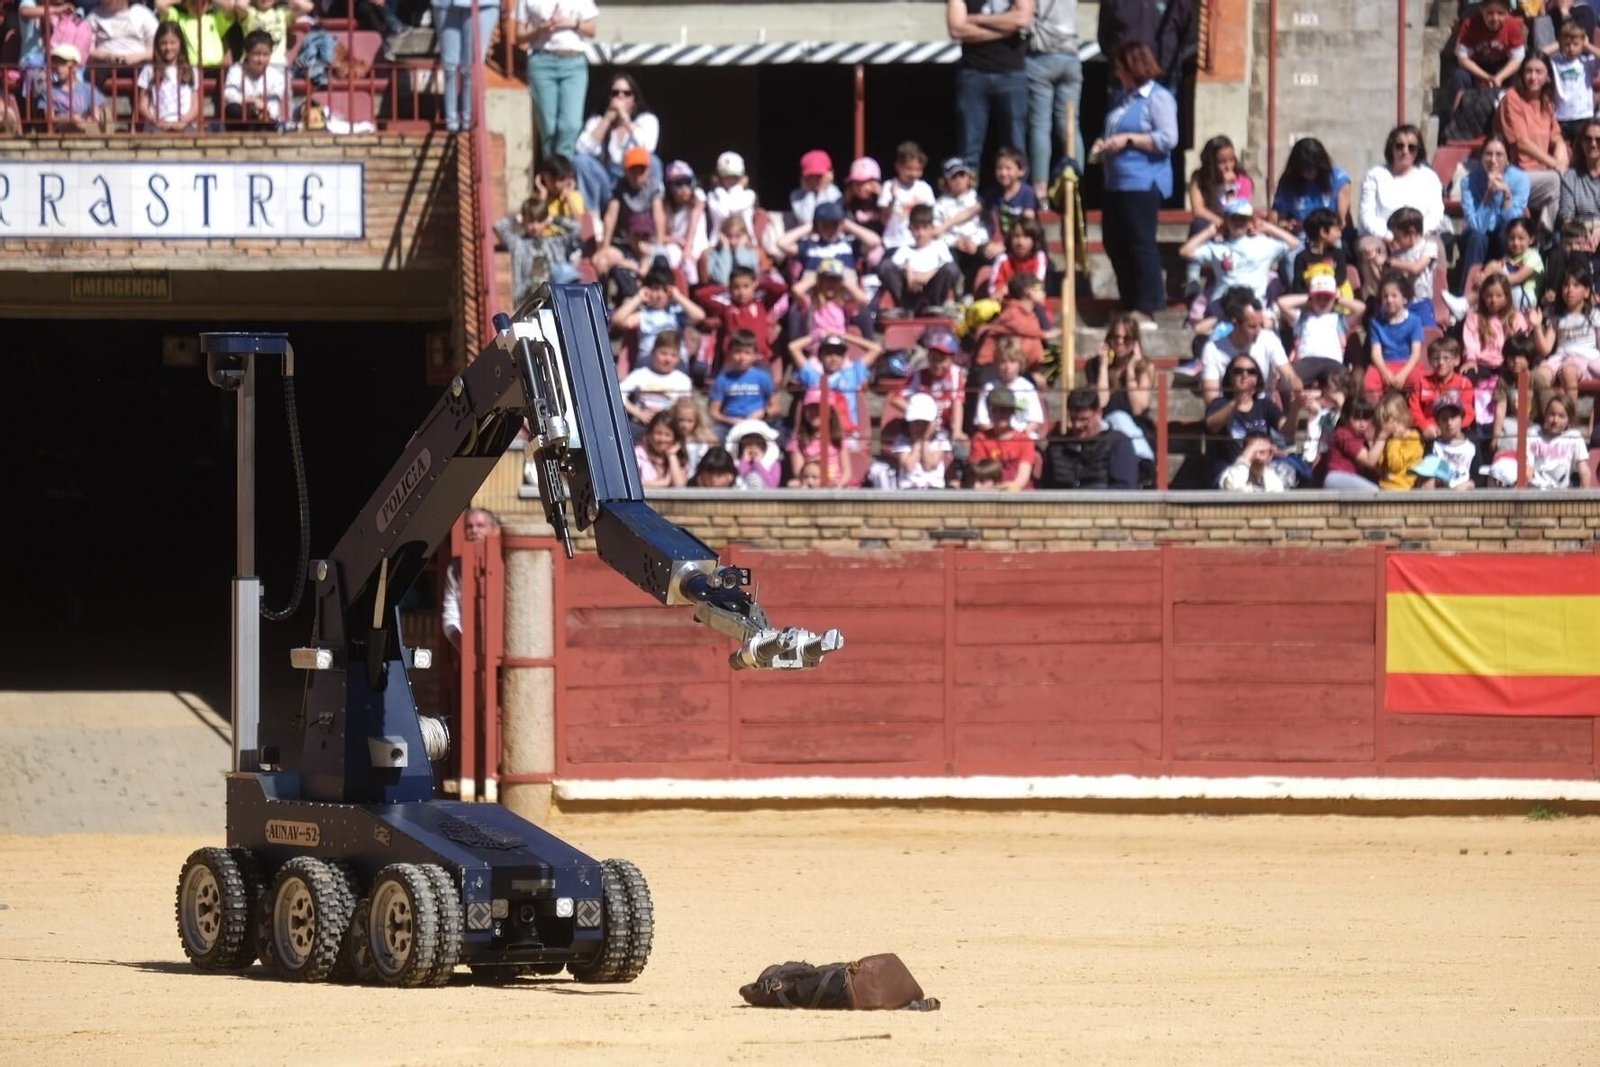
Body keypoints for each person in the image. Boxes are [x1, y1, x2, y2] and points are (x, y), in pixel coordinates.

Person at [1093, 39, 1178, 326]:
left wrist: (1129, 140)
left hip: (1142, 182)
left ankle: (1148, 305)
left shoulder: (1158, 98)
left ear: (1134, 68)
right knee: (1114, 241)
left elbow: (1168, 138)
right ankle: (1128, 301)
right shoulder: (1122, 98)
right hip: (1116, 183)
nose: (1117, 74)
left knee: (1140, 243)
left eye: (1121, 68)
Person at [1178, 199, 1299, 331]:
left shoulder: (1264, 244)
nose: (1238, 223)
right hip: (1223, 307)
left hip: (1253, 306)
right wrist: (1210, 231)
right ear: (1226, 220)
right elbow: (1185, 251)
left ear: (1249, 221)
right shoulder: (1217, 247)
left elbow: (1294, 244)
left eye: (1243, 219)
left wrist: (1268, 227)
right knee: (1202, 330)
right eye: (1234, 219)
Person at [1356, 125, 1445, 297]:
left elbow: (1436, 214)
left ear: (1418, 150)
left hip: (1418, 235)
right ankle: (1376, 300)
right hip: (1384, 236)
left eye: (1411, 147)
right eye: (1399, 146)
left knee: (1437, 246)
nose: (1405, 151)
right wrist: (1389, 236)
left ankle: (1436, 302)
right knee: (1368, 248)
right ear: (1391, 147)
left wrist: (1414, 237)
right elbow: (1366, 215)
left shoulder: (1429, 177)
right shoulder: (1375, 175)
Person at [947, 0, 1033, 173]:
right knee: (969, 147)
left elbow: (1023, 19)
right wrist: (1005, 28)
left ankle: (1019, 197)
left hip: (1011, 72)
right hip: (973, 73)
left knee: (1015, 144)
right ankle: (967, 197)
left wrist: (975, 19)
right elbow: (956, 29)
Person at [1497, 52, 1570, 234]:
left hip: (1541, 175)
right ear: (1522, 74)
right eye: (1529, 71)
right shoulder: (1512, 98)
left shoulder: (1546, 101)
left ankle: (1544, 235)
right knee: (1558, 181)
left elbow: (1556, 136)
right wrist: (1555, 165)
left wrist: (1560, 151)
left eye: (1539, 72)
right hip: (1516, 173)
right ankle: (1542, 235)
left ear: (1547, 77)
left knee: (1566, 181)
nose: (1533, 77)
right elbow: (1521, 143)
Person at [516, 0, 597, 161]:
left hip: (573, 62)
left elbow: (592, 29)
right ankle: (552, 172)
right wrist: (540, 31)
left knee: (571, 125)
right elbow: (519, 35)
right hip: (542, 61)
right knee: (548, 127)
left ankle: (562, 172)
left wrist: (571, 23)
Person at [1184, 135, 1256, 308]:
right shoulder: (1200, 178)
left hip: (1235, 225)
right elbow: (1198, 209)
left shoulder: (1243, 180)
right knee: (1199, 223)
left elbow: (1240, 210)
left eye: (1231, 160)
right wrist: (1219, 223)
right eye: (1222, 161)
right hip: (1213, 225)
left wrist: (1230, 189)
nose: (1228, 166)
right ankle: (1192, 277)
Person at [574, 74, 660, 214]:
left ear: (634, 99)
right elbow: (581, 149)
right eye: (615, 93)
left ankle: (649, 218)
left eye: (626, 93)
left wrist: (625, 120)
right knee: (580, 161)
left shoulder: (646, 120)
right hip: (607, 183)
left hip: (633, 181)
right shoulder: (597, 121)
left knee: (654, 161)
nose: (620, 97)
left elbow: (648, 146)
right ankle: (591, 220)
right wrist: (607, 120)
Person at [1199, 292, 1302, 404]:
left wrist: (1297, 391)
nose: (1258, 331)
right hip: (1229, 411)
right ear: (1236, 323)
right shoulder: (1212, 350)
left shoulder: (1269, 339)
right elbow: (1211, 396)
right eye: (1252, 327)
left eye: (1260, 325)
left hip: (1263, 411)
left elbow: (1289, 375)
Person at [1025, 0, 1083, 197]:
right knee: (1070, 124)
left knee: (1040, 125)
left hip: (1042, 55)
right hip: (1071, 55)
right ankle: (1075, 185)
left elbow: (1024, 19)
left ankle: (1040, 190)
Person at [1203, 354, 1286, 486]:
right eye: (1238, 372)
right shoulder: (1219, 404)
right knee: (1236, 484)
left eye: (1251, 372)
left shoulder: (1265, 405)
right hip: (1228, 468)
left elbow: (1287, 429)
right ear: (1230, 377)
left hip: (1260, 466)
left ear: (1257, 378)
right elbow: (1212, 425)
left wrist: (1296, 407)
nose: (1245, 375)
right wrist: (1236, 401)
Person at [1458, 137, 1530, 286]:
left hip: (1504, 235)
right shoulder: (1468, 182)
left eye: (1499, 155)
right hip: (1477, 236)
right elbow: (1476, 226)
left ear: (1508, 159)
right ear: (1481, 157)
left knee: (1509, 238)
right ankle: (1469, 291)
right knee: (1478, 238)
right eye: (1488, 154)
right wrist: (1488, 195)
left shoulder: (1521, 179)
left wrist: (1507, 196)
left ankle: (1508, 290)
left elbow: (1514, 226)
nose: (1493, 160)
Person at [1037, 387, 1139, 489]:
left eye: (1084, 419)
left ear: (1099, 414)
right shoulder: (1056, 448)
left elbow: (1123, 488)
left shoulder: (1118, 444)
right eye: (1073, 419)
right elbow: (1045, 488)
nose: (1077, 425)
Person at [1486, 391, 1595, 487]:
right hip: (1535, 488)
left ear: (1569, 419)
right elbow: (1527, 465)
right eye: (1552, 414)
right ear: (1545, 414)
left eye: (1561, 416)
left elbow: (1584, 470)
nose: (1555, 420)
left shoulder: (1574, 437)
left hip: (1561, 490)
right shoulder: (1533, 434)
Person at [592, 146, 666, 285]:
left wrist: (659, 244)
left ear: (648, 170)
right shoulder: (619, 186)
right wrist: (605, 246)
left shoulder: (654, 187)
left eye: (641, 170)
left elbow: (659, 215)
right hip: (623, 243)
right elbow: (611, 216)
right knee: (602, 261)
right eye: (633, 170)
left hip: (646, 242)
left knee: (661, 260)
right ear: (625, 171)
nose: (637, 175)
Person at [1277, 269, 1363, 384]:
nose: (1322, 301)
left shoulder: (1339, 319)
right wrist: (1308, 298)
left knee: (1346, 384)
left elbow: (1361, 308)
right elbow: (1282, 303)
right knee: (1287, 383)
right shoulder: (1302, 317)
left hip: (1332, 361)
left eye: (1326, 297)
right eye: (1318, 297)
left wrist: (1338, 299)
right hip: (1307, 360)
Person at [613, 264, 707, 367]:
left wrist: (678, 297)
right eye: (655, 289)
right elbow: (618, 320)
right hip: (649, 365)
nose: (660, 295)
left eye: (665, 290)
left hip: (675, 366)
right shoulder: (644, 315)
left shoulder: (677, 313)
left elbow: (700, 316)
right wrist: (638, 298)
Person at [1534, 263, 1600, 405]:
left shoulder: (1594, 315)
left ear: (1587, 291)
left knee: (1568, 371)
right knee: (1540, 375)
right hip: (1560, 357)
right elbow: (1545, 349)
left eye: (1576, 286)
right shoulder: (1556, 317)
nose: (1570, 290)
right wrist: (1537, 326)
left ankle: (1568, 415)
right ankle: (1549, 414)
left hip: (1584, 358)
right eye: (1566, 285)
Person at [878, 205, 961, 316]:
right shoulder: (905, 249)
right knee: (886, 265)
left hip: (932, 289)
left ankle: (934, 307)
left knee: (950, 268)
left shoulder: (940, 247)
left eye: (924, 228)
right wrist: (908, 272)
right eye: (916, 228)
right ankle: (903, 309)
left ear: (932, 228)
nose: (920, 233)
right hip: (909, 290)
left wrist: (927, 275)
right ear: (910, 229)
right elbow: (893, 265)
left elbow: (950, 268)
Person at [887, 325, 968, 440]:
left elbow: (957, 403)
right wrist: (919, 413)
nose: (937, 364)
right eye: (934, 359)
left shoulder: (956, 374)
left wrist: (957, 431)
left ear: (952, 359)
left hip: (945, 430)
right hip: (920, 430)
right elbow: (895, 400)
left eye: (942, 360)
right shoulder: (918, 375)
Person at [790, 332, 883, 431]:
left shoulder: (852, 374)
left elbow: (876, 349)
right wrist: (818, 336)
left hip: (846, 433)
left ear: (844, 358)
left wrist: (845, 336)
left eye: (838, 354)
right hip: (819, 433)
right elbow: (793, 347)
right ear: (821, 357)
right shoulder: (813, 377)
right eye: (829, 353)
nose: (833, 358)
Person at [1448, 0, 1526, 117]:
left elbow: (1518, 57)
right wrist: (1486, 77)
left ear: (1508, 12)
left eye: (1500, 13)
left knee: (1520, 75)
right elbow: (1462, 58)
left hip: (1502, 66)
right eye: (1490, 13)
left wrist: (1499, 77)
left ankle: (1515, 114)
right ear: (1481, 11)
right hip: (1476, 66)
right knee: (1459, 76)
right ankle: (1457, 116)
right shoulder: (1470, 24)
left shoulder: (1513, 25)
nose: (1495, 18)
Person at [442, 507, 500, 649]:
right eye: (469, 526)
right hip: (471, 652)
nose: (474, 530)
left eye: (480, 526)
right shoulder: (455, 570)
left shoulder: (508, 563)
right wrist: (464, 647)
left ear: (495, 530)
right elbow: (450, 616)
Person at [1270, 137, 1353, 232]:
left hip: (1329, 235)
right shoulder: (1287, 182)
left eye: (1314, 167)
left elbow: (1341, 222)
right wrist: (1287, 225)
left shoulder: (1339, 179)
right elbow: (1279, 219)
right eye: (1305, 168)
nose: (1310, 172)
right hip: (1297, 236)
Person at [618, 329, 692, 433]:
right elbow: (619, 393)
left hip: (669, 428)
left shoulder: (683, 380)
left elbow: (684, 406)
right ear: (653, 352)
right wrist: (638, 413)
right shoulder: (641, 374)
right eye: (663, 353)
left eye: (673, 355)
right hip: (640, 424)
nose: (668, 359)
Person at [1364, 273, 1426, 398]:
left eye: (1394, 296)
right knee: (1369, 383)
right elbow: (1376, 353)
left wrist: (1403, 374)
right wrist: (1385, 372)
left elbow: (1415, 354)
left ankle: (1414, 413)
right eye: (1385, 296)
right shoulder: (1376, 322)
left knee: (1419, 380)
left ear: (1404, 299)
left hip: (1406, 365)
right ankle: (1378, 413)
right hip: (1384, 365)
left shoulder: (1414, 321)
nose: (1389, 300)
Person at [933, 156, 990, 289]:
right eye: (954, 177)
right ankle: (952, 294)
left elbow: (986, 227)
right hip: (953, 246)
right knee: (946, 256)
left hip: (975, 244)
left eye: (962, 175)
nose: (959, 180)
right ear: (946, 180)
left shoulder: (978, 200)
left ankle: (976, 292)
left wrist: (974, 241)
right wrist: (956, 242)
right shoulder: (940, 204)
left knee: (987, 254)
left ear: (969, 177)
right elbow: (937, 232)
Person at [1463, 271, 1526, 388]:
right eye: (1489, 296)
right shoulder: (1475, 316)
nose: (1493, 300)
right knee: (1467, 376)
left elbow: (1520, 345)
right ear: (1483, 296)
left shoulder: (1516, 317)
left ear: (1507, 297)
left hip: (1508, 364)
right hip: (1482, 363)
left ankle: (1522, 405)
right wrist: (1470, 360)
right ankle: (1469, 406)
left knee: (1523, 376)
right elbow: (1470, 343)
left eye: (1498, 296)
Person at [708, 333, 779, 437]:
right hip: (730, 423)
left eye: (747, 353)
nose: (742, 357)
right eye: (737, 352)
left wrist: (763, 413)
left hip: (757, 422)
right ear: (730, 354)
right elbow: (713, 412)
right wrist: (730, 420)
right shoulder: (723, 379)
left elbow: (776, 407)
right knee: (714, 435)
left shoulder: (763, 377)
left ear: (755, 355)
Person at [1408, 335, 1477, 440]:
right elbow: (1414, 409)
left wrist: (1451, 429)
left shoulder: (1464, 383)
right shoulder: (1422, 382)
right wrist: (1425, 426)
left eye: (1446, 358)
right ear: (1430, 361)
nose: (1440, 363)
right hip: (1430, 431)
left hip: (1454, 431)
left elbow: (1468, 413)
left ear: (1456, 360)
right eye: (1436, 358)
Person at [974, 338, 1046, 438]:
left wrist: (1018, 437)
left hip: (1023, 438)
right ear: (996, 363)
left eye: (1012, 361)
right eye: (1003, 361)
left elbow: (1036, 420)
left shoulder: (1028, 388)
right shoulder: (988, 389)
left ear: (1020, 363)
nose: (1007, 366)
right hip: (995, 438)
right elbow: (982, 421)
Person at [968, 387, 1037, 490]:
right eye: (995, 410)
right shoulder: (980, 439)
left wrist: (1005, 493)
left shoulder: (1024, 440)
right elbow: (978, 476)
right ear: (990, 412)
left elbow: (1022, 478)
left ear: (1012, 412)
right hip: (987, 495)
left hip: (1020, 496)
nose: (1000, 414)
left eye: (1005, 410)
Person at [27, 44, 106, 131]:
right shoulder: (49, 89)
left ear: (75, 66)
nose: (59, 67)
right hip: (62, 130)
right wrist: (70, 119)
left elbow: (97, 111)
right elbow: (50, 118)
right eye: (56, 63)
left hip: (85, 127)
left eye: (64, 63)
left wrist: (93, 116)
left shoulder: (87, 88)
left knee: (101, 119)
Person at [137, 23, 200, 131]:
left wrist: (184, 121)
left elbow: (195, 104)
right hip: (156, 124)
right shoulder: (149, 69)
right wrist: (155, 120)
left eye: (173, 43)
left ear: (180, 43)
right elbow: (143, 105)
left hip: (185, 124)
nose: (168, 47)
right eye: (163, 43)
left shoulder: (191, 70)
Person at [1546, 18, 1600, 142]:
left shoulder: (1588, 62)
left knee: (1581, 151)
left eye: (1575, 44)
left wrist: (1587, 45)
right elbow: (1539, 54)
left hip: (1583, 115)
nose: (1571, 48)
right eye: (1567, 44)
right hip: (1561, 116)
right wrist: (1558, 44)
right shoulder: (1555, 63)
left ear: (1582, 44)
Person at [787, 388, 853, 487]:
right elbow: (798, 472)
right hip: (811, 487)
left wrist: (838, 487)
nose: (815, 412)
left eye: (820, 408)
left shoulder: (838, 438)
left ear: (830, 412)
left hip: (835, 488)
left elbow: (847, 471)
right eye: (811, 408)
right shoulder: (798, 440)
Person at [981, 145, 1040, 258]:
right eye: (999, 168)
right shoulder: (994, 193)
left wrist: (1004, 245)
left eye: (1008, 168)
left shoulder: (1027, 193)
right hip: (997, 243)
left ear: (1021, 171)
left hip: (1021, 246)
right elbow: (972, 210)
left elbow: (1028, 225)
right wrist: (943, 227)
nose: (1003, 173)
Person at [878, 141, 937, 252]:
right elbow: (884, 220)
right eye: (909, 169)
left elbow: (932, 218)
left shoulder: (925, 188)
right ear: (898, 166)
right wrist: (893, 198)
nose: (913, 173)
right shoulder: (888, 186)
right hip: (894, 243)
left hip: (919, 243)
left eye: (918, 169)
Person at [1315, 395, 1381, 491]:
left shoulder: (1361, 437)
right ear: (1345, 417)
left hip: (1350, 479)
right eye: (1357, 419)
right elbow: (1369, 461)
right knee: (1375, 493)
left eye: (1366, 419)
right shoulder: (1343, 433)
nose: (1362, 424)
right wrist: (1383, 434)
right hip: (1337, 477)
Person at [223, 30, 286, 128]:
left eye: (265, 55)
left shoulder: (277, 77)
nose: (261, 60)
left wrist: (263, 109)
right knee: (233, 109)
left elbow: (274, 106)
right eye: (256, 54)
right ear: (247, 53)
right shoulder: (236, 70)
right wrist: (253, 101)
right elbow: (229, 94)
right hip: (242, 118)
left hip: (264, 118)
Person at [889, 393, 953, 489]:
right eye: (915, 423)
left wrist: (925, 441)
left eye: (924, 423)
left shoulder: (942, 441)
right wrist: (917, 443)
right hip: (909, 490)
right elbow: (909, 466)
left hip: (934, 490)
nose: (919, 427)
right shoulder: (901, 441)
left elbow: (928, 466)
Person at [1288, 208, 1352, 295]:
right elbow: (1298, 286)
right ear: (1323, 232)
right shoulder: (1302, 257)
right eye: (1337, 230)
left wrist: (1324, 289)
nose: (1340, 234)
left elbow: (1341, 277)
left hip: (1333, 297)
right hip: (1310, 301)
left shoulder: (1338, 254)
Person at [663, 161, 708, 281]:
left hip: (695, 244)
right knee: (671, 255)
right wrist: (677, 241)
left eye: (688, 183)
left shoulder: (698, 197)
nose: (684, 189)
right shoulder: (666, 207)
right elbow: (662, 236)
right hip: (677, 244)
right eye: (678, 184)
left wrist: (687, 250)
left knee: (689, 263)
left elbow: (693, 225)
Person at [1372, 391, 1425, 490]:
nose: (1384, 426)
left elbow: (1395, 465)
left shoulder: (1412, 438)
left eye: (1386, 420)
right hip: (1385, 485)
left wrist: (1394, 440)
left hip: (1402, 487)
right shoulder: (1389, 437)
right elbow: (1379, 468)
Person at [232, 0, 312, 65]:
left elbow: (308, 7)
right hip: (252, 63)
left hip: (277, 64)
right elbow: (240, 5)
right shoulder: (249, 13)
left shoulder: (282, 14)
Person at [1558, 117, 1600, 237]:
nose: (1593, 144)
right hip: (1580, 238)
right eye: (1588, 139)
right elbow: (1567, 220)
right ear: (1581, 143)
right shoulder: (1571, 178)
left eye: (1598, 140)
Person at [89, 0, 159, 71]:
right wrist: (106, 57)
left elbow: (157, 49)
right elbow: (87, 50)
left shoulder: (143, 14)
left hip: (138, 66)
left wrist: (137, 57)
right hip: (104, 66)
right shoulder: (94, 16)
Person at [706, 151, 757, 239]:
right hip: (718, 243)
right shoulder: (712, 196)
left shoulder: (749, 195)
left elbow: (733, 208)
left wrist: (739, 187)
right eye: (727, 176)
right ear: (719, 177)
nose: (731, 180)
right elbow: (724, 214)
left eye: (735, 177)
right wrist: (719, 189)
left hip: (745, 243)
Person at [1427, 399, 1477, 490]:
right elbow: (1427, 474)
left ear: (1462, 418)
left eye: (1453, 417)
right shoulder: (1434, 446)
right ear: (1438, 422)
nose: (1449, 423)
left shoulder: (1471, 447)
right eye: (1444, 419)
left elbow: (1477, 478)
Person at [634, 410, 688, 489]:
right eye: (658, 433)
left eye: (667, 435)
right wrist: (664, 482)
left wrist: (671, 455)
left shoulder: (677, 457)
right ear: (650, 434)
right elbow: (635, 484)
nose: (662, 439)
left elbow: (679, 485)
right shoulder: (638, 453)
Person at [788, 149, 842, 228]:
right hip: (807, 238)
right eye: (810, 176)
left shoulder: (835, 192)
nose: (814, 180)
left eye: (819, 176)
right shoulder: (796, 195)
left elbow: (827, 219)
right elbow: (806, 220)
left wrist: (822, 191)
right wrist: (809, 192)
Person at [1218, 431, 1286, 492]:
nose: (1257, 456)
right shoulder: (1230, 474)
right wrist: (1245, 459)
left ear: (1270, 455)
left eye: (1261, 452)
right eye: (1253, 452)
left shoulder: (1273, 480)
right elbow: (1235, 488)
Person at [670, 396, 719, 475]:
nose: (685, 425)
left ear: (697, 421)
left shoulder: (707, 439)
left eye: (690, 421)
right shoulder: (671, 439)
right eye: (681, 420)